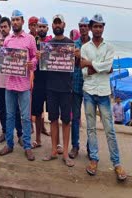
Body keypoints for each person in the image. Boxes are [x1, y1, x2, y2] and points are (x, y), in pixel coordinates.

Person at [81, 14, 127, 181]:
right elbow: (84, 72)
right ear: (91, 28)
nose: (98, 29)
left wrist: (91, 65)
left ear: (103, 28)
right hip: (89, 92)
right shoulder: (85, 48)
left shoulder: (110, 47)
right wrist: (100, 68)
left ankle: (117, 163)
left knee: (110, 130)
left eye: (101, 26)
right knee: (91, 128)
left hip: (104, 93)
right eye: (95, 26)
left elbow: (108, 66)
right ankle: (94, 159)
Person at [0, 10, 37, 161]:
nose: (14, 22)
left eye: (17, 20)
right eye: (12, 20)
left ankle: (27, 146)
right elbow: (3, 59)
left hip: (25, 85)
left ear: (22, 21)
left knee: (26, 117)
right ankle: (9, 144)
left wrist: (31, 63)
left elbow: (34, 58)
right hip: (10, 84)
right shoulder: (7, 39)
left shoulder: (30, 39)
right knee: (10, 116)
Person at [42, 14, 74, 167]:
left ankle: (66, 153)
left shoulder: (70, 44)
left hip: (66, 88)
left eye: (59, 23)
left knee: (66, 121)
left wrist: (78, 56)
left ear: (64, 24)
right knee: (53, 119)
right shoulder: (48, 44)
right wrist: (40, 56)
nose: (57, 26)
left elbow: (77, 65)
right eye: (54, 23)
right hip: (51, 88)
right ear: (52, 26)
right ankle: (54, 150)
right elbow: (43, 65)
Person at [0, 17, 23, 146]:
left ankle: (20, 134)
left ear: (10, 27)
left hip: (12, 81)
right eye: (1, 27)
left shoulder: (13, 41)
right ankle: (5, 132)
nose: (3, 29)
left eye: (5, 26)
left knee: (15, 110)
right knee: (1, 109)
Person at [69, 17, 90, 159]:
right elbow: (70, 66)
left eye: (85, 26)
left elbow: (95, 63)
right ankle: (75, 146)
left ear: (89, 27)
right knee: (75, 117)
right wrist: (74, 57)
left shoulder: (93, 44)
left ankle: (90, 147)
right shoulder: (73, 44)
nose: (83, 28)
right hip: (75, 85)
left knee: (90, 118)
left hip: (89, 85)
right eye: (80, 25)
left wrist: (81, 56)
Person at [31, 17, 52, 149]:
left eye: (44, 27)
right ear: (37, 29)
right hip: (38, 81)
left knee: (54, 113)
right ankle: (38, 139)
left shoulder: (53, 43)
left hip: (50, 82)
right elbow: (29, 60)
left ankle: (57, 143)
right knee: (37, 113)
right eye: (40, 26)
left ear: (47, 29)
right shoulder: (33, 43)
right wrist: (35, 58)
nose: (42, 29)